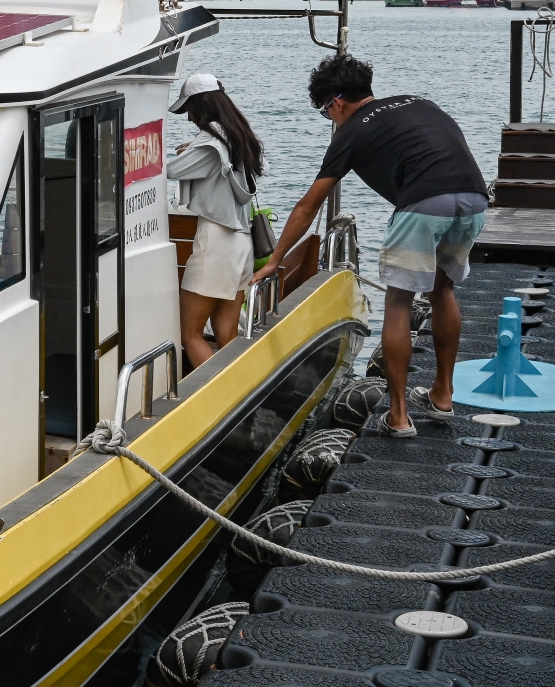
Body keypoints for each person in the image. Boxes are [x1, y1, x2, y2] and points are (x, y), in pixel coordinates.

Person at [254, 53, 486, 438]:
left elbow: (307, 206)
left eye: (326, 112)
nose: (330, 120)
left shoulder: (351, 131)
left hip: (424, 203)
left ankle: (398, 416)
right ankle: (442, 396)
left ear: (337, 103)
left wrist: (274, 261)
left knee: (398, 302)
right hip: (473, 199)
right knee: (443, 290)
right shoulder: (418, 102)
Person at [167, 73, 264, 368]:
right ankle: (244, 395)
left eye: (190, 111)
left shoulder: (210, 143)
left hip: (216, 242)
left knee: (190, 334)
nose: (189, 119)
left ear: (202, 106)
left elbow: (168, 170)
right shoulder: (238, 136)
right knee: (226, 332)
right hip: (241, 243)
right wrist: (192, 151)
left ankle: (224, 399)